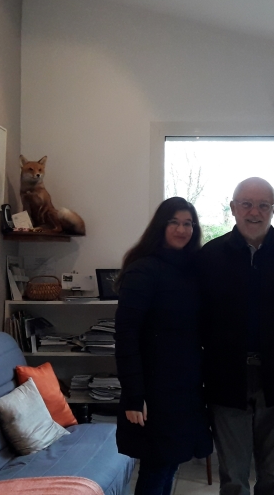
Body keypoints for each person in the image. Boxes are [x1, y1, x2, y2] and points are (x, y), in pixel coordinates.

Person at [197, 177, 274, 495]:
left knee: (273, 475)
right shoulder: (210, 255)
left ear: (273, 210)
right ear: (233, 208)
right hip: (225, 376)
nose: (254, 212)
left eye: (263, 205)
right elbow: (198, 316)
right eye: (246, 204)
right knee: (233, 476)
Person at [114, 197, 213, 495]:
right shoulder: (143, 270)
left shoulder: (192, 269)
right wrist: (134, 396)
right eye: (174, 222)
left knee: (171, 462)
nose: (182, 230)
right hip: (154, 389)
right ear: (161, 225)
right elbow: (126, 335)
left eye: (188, 224)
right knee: (157, 465)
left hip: (185, 388)